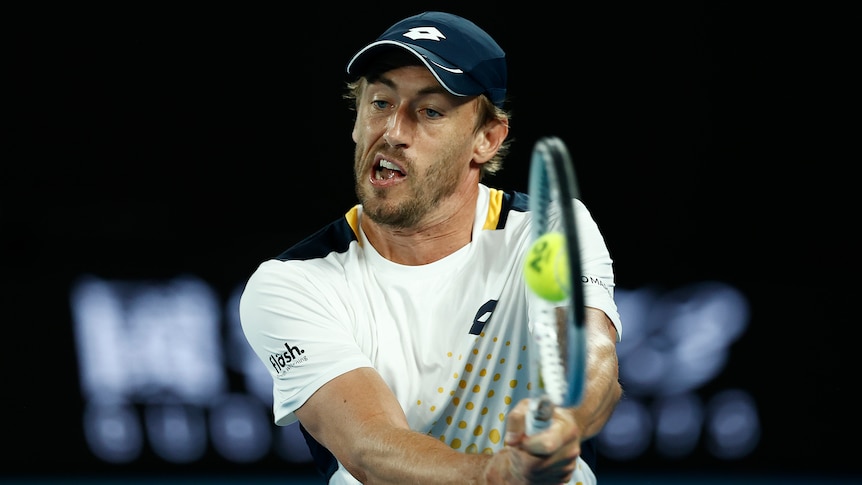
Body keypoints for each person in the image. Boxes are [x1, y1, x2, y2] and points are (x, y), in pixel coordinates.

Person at [239, 11, 622, 484]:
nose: (394, 131)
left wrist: (566, 420)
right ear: (357, 123)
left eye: (430, 111)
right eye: (380, 102)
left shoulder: (546, 230)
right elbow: (369, 447)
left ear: (486, 139)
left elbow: (591, 353)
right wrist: (497, 476)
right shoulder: (293, 283)